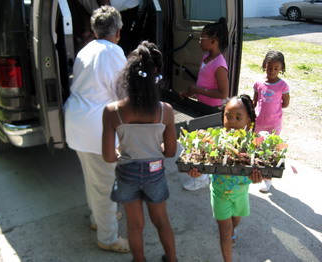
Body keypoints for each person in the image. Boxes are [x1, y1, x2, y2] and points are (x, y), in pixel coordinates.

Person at [102, 41, 178, 262]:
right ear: (157, 73)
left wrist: (120, 152)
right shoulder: (166, 111)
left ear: (129, 76)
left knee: (135, 225)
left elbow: (108, 156)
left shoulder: (112, 111)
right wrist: (155, 148)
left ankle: (139, 260)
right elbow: (170, 151)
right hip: (155, 172)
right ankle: (172, 259)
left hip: (127, 174)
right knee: (161, 221)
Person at [63, 6, 130, 253]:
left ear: (93, 30)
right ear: (118, 31)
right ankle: (108, 237)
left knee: (93, 178)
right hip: (97, 127)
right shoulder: (114, 52)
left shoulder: (85, 50)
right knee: (104, 186)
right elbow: (122, 92)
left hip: (77, 122)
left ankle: (98, 219)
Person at [188, 95, 263, 262]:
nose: (233, 122)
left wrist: (258, 177)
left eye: (238, 117)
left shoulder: (253, 144)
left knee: (236, 220)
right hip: (220, 194)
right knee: (225, 231)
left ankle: (233, 230)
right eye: (228, 116)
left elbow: (261, 168)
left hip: (241, 193)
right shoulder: (215, 140)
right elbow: (202, 161)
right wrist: (196, 172)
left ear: (249, 121)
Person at [180, 17, 229, 191]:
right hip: (201, 106)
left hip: (212, 110)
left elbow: (223, 93)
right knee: (199, 142)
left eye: (203, 38)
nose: (200, 41)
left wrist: (198, 91)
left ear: (214, 41)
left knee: (204, 144)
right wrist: (189, 92)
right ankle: (202, 174)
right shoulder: (206, 57)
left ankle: (203, 177)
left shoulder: (219, 65)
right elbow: (202, 84)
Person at [253, 50, 290, 193]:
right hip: (259, 123)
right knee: (257, 149)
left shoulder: (283, 86)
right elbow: (254, 102)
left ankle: (267, 180)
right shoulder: (258, 83)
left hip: (274, 125)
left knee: (271, 152)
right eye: (269, 67)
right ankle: (257, 174)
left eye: (276, 68)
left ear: (281, 69)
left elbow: (285, 104)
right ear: (264, 65)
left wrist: (273, 108)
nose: (272, 71)